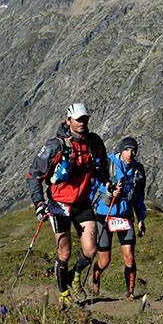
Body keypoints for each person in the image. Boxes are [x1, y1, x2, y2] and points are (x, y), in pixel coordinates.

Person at [27, 102, 110, 304]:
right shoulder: (55, 146)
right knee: (64, 250)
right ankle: (64, 293)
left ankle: (75, 275)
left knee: (90, 250)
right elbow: (34, 175)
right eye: (78, 119)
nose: (82, 122)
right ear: (69, 120)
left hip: (82, 203)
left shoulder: (94, 143)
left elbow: (101, 169)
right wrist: (39, 203)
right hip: (59, 204)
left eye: (85, 119)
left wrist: (107, 183)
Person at [90, 137, 147, 299]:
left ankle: (130, 294)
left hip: (124, 215)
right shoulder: (108, 163)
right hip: (104, 215)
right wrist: (109, 191)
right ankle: (96, 277)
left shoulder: (138, 170)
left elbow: (138, 196)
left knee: (129, 255)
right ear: (120, 150)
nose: (130, 153)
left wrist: (141, 218)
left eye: (133, 150)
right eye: (127, 150)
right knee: (105, 260)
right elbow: (96, 185)